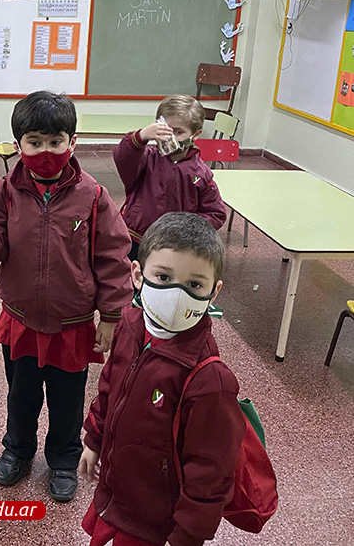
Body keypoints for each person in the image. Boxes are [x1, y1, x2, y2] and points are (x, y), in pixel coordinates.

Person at [0, 90, 132, 502]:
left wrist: (112, 317)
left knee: (68, 400)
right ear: (19, 146)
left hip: (72, 325)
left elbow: (114, 257)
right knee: (21, 395)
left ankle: (64, 459)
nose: (45, 151)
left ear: (72, 142)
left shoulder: (93, 196)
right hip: (21, 320)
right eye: (34, 142)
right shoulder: (6, 191)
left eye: (55, 141)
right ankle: (17, 449)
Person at [79, 212, 244, 546]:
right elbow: (110, 387)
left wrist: (186, 536)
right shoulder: (130, 325)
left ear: (213, 292)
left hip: (157, 523)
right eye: (164, 277)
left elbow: (211, 471)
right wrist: (94, 440)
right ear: (138, 275)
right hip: (116, 494)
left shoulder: (210, 379)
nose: (176, 294)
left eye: (194, 285)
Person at [114, 94, 227, 261]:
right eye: (165, 130)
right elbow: (123, 156)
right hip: (137, 238)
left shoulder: (200, 173)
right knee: (131, 275)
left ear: (196, 134)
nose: (170, 137)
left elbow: (216, 213)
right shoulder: (146, 159)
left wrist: (187, 229)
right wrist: (140, 136)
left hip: (175, 246)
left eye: (178, 132)